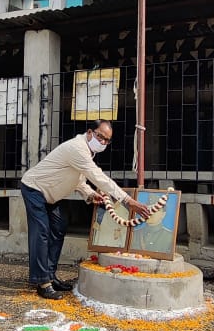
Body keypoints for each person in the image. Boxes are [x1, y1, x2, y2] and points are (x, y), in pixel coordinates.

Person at [20, 120, 151, 299]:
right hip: (34, 188)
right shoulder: (77, 148)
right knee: (41, 231)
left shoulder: (88, 153)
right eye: (100, 136)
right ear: (90, 132)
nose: (103, 142)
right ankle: (43, 283)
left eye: (107, 140)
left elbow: (78, 180)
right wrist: (127, 200)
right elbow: (97, 177)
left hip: (49, 193)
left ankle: (50, 275)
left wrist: (90, 194)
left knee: (58, 227)